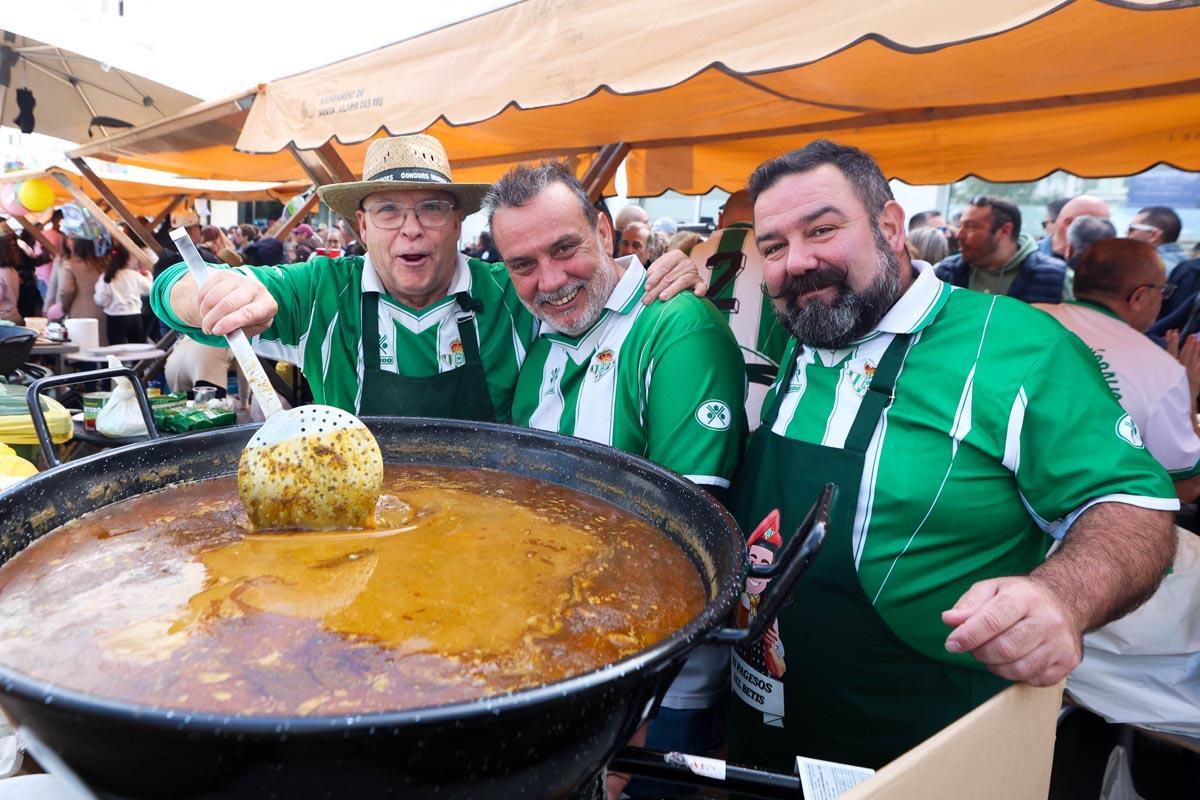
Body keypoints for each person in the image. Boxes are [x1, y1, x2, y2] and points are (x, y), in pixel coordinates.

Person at [728, 139, 1177, 772]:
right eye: (773, 246)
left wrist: (1064, 596)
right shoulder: (794, 330)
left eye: (822, 229)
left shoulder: (1015, 344)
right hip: (763, 731)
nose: (798, 262)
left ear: (890, 226)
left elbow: (1133, 503)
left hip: (924, 749)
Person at [485, 162, 747, 798]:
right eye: (523, 265)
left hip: (650, 690)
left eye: (566, 248)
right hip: (558, 664)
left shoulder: (673, 326)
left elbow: (683, 538)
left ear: (604, 231)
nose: (549, 281)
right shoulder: (543, 334)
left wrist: (627, 727)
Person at [150, 134, 704, 422]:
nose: (410, 230)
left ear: (458, 222)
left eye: (431, 209)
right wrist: (206, 294)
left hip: (491, 531)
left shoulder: (511, 290)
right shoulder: (322, 293)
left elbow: (599, 305)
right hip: (357, 535)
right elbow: (170, 289)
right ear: (363, 226)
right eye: (388, 211)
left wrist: (666, 273)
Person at [1036, 239, 1200, 500]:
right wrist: (1188, 398)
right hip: (1077, 519)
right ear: (1139, 297)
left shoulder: (1018, 317)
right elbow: (1184, 486)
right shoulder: (1162, 370)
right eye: (1163, 291)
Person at [688, 189, 789, 429]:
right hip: (766, 399)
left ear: (721, 217)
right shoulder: (780, 257)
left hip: (696, 391)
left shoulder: (686, 255)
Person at [935, 195, 1067, 303]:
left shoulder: (1055, 276)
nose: (959, 234)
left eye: (971, 226)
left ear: (1004, 231)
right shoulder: (946, 271)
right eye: (960, 225)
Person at [94, 244, 151, 345]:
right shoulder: (135, 275)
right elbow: (150, 290)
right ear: (128, 260)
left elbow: (101, 298)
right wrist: (149, 276)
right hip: (135, 316)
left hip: (115, 317)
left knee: (117, 350)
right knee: (138, 349)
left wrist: (109, 305)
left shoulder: (107, 276)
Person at [1041, 194, 1111, 260]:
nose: (1105, 229)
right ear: (1068, 223)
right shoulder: (1032, 257)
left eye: (1106, 223)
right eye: (1096, 224)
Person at [1126, 205, 1187, 273]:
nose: (1126, 233)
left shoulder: (1148, 270)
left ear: (1153, 235)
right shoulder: (1188, 263)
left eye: (1132, 229)